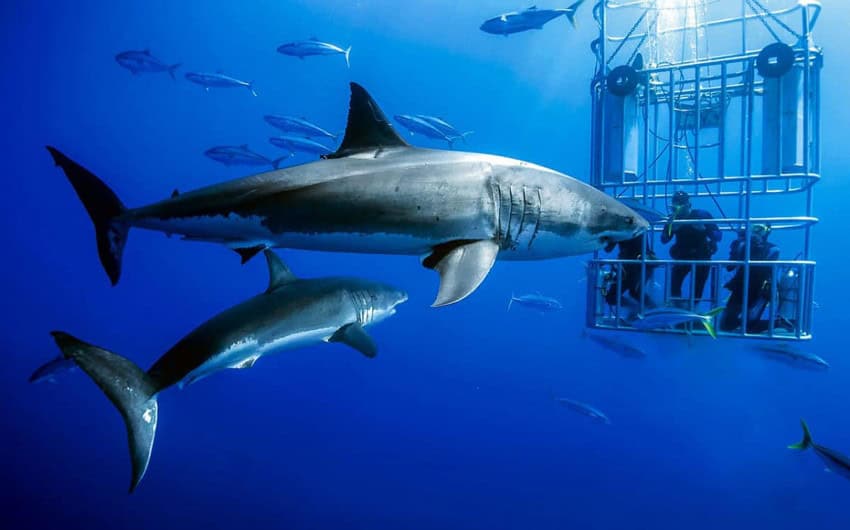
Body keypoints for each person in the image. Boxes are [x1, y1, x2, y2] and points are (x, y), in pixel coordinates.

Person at [660, 191, 721, 306]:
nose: (676, 210)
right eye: (673, 207)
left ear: (688, 205)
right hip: (682, 256)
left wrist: (704, 229)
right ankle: (678, 310)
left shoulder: (702, 215)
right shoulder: (672, 218)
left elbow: (718, 236)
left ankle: (693, 311)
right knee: (674, 287)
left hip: (702, 256)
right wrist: (671, 229)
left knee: (698, 288)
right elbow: (664, 240)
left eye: (679, 206)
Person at [719, 224, 780, 332]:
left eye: (760, 229)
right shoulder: (742, 245)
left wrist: (756, 246)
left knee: (749, 325)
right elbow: (730, 267)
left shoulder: (773, 248)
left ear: (767, 232)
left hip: (760, 289)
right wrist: (737, 246)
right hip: (740, 286)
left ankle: (778, 324)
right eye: (753, 228)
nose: (755, 232)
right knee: (725, 324)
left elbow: (762, 269)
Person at [603, 234, 658, 312]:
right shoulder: (620, 229)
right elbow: (608, 249)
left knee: (635, 293)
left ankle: (656, 310)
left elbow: (608, 249)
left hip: (641, 265)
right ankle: (637, 310)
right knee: (611, 297)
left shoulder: (636, 227)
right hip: (625, 266)